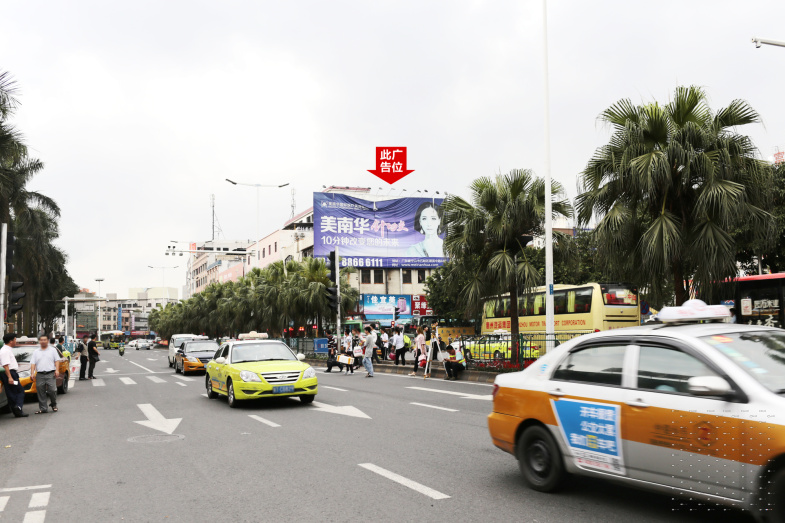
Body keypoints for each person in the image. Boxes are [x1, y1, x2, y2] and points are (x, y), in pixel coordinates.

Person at [30, 334, 62, 414]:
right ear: (39, 341)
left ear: (48, 341)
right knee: (41, 392)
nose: (43, 341)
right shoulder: (36, 352)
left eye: (45, 340)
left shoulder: (53, 350)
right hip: (40, 374)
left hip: (50, 373)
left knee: (53, 390)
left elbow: (57, 360)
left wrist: (57, 370)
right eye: (41, 340)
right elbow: (33, 363)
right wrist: (32, 373)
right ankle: (43, 408)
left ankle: (53, 404)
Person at [0, 333, 28, 417]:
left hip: (10, 374)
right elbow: (5, 365)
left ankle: (17, 411)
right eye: (15, 339)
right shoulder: (5, 351)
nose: (16, 341)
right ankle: (18, 407)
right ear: (11, 341)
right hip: (10, 374)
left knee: (12, 392)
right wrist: (10, 377)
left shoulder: (7, 350)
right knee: (20, 390)